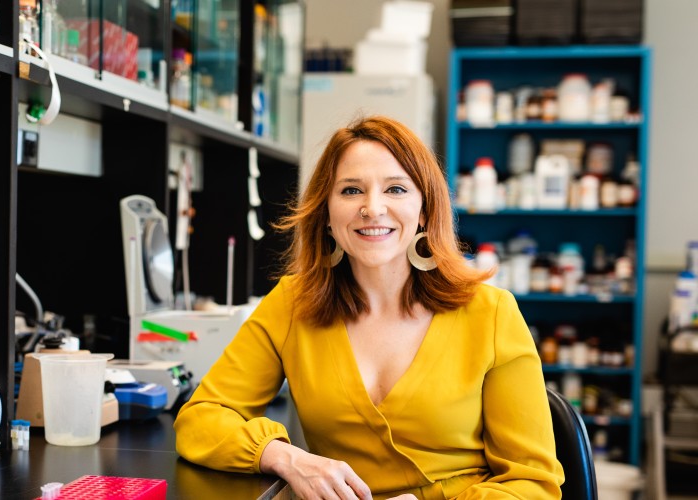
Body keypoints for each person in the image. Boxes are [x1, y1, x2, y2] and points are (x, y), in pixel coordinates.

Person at [174, 115, 564, 499]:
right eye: (350, 190)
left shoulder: (491, 313)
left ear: (425, 209)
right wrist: (284, 457)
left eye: (396, 189)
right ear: (326, 212)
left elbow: (533, 484)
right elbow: (201, 418)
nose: (372, 208)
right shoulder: (293, 302)